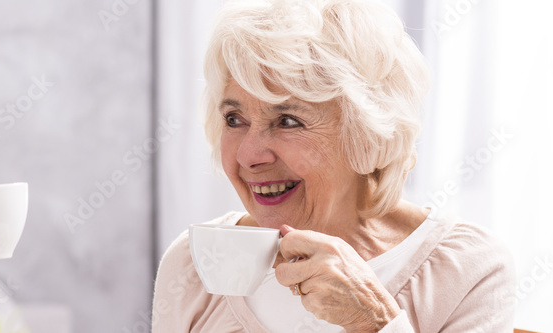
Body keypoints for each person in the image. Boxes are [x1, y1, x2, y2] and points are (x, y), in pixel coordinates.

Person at [152, 0, 515, 332]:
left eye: (288, 121)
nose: (249, 155)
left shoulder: (467, 270)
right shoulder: (193, 262)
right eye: (234, 119)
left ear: (369, 136)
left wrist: (372, 321)